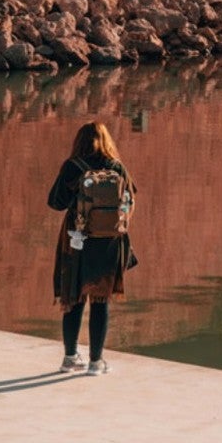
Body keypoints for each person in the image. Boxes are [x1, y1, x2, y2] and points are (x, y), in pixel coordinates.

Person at [48, 120, 138, 375]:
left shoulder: (72, 167)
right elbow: (130, 198)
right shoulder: (116, 167)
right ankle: (96, 362)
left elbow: (55, 202)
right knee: (101, 300)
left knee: (74, 298)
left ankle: (69, 358)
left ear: (79, 142)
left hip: (77, 241)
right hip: (108, 243)